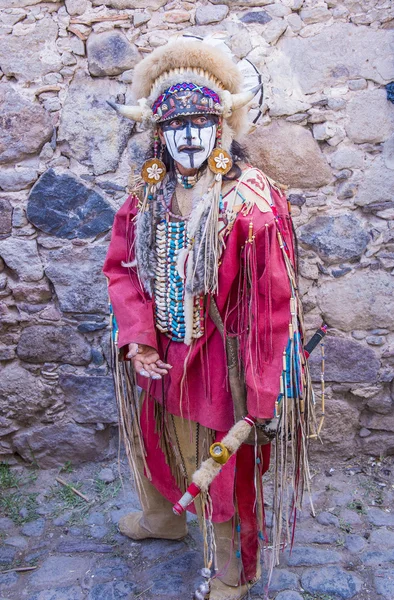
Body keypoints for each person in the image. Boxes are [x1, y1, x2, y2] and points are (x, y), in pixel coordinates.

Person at [103, 36, 315, 600]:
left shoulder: (252, 203)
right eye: (177, 126)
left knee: (222, 468)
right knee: (158, 440)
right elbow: (123, 269)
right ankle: (164, 517)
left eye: (201, 122)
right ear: (159, 134)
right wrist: (138, 338)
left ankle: (231, 571)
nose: (190, 137)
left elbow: (271, 307)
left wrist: (263, 392)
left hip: (222, 361)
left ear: (221, 127)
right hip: (162, 355)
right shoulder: (146, 197)